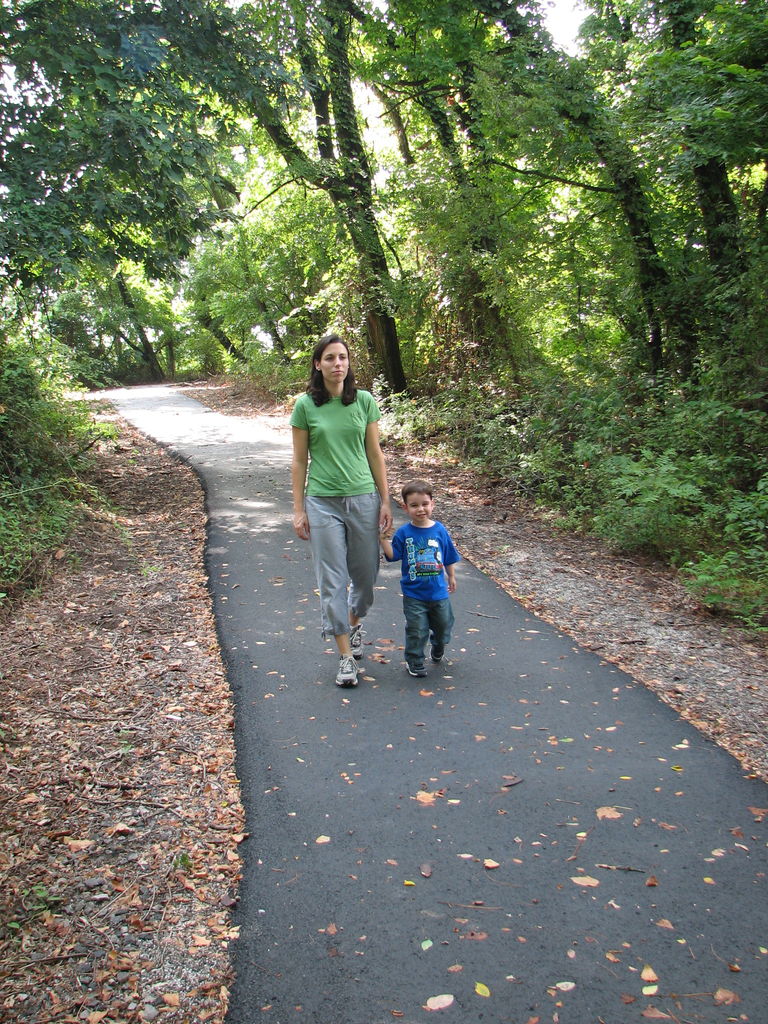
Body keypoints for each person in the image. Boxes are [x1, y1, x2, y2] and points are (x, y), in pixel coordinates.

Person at [291, 333, 392, 687]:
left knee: (365, 578)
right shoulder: (305, 406)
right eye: (330, 358)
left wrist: (386, 500)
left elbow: (375, 453)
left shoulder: (363, 401)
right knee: (331, 579)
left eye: (343, 358)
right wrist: (298, 508)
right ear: (318, 364)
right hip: (322, 501)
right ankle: (345, 656)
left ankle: (353, 623)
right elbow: (300, 461)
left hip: (364, 498)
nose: (338, 364)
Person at [379, 479, 461, 678]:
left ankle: (438, 645)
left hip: (439, 592)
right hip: (414, 593)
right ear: (406, 508)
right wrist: (382, 539)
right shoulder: (404, 533)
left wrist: (451, 576)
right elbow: (393, 555)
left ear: (432, 504)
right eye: (414, 505)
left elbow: (448, 554)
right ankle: (414, 661)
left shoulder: (439, 530)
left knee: (443, 626)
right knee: (417, 630)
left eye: (425, 504)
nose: (421, 509)